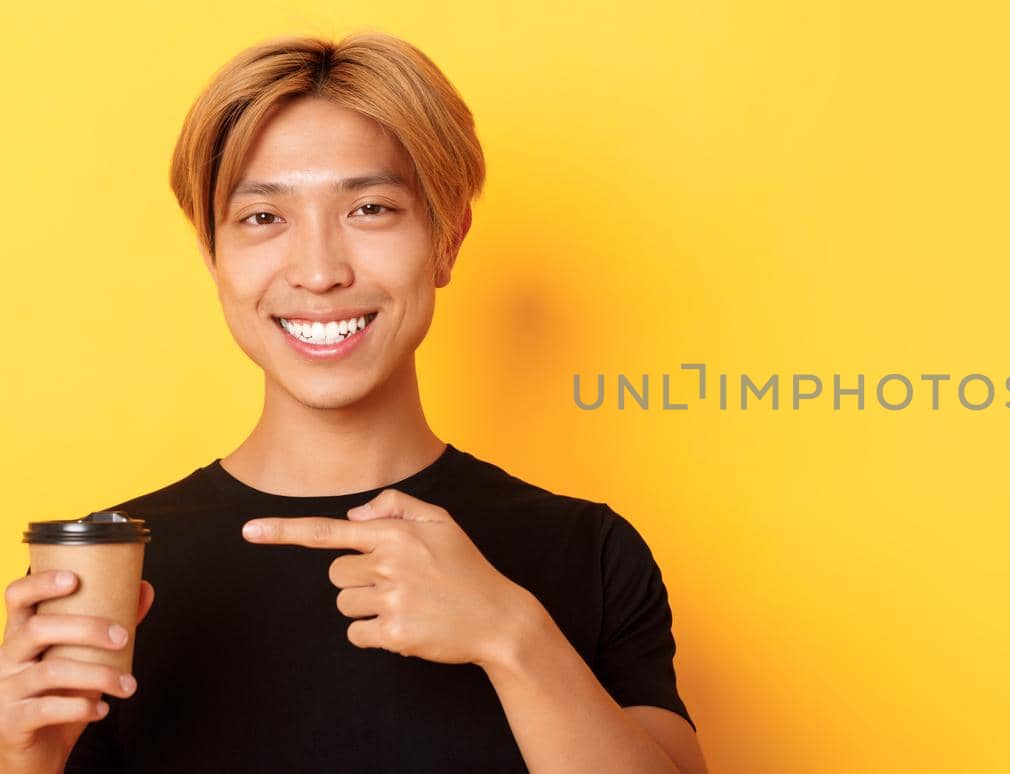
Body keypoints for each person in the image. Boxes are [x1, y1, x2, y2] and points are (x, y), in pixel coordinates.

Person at [0, 32, 708, 774]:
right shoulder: (113, 573)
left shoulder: (589, 552)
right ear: (213, 255)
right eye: (263, 218)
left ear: (447, 239)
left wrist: (512, 637)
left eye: (370, 208)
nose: (318, 271)